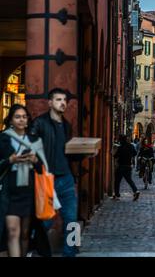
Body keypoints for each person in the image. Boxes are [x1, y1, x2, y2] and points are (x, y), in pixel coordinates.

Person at [30, 88, 81, 257]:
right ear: (50, 103)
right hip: (47, 179)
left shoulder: (66, 125)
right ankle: (34, 249)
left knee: (72, 221)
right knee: (45, 221)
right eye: (58, 99)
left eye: (65, 100)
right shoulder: (39, 123)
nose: (63, 103)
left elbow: (67, 154)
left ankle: (70, 253)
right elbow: (30, 150)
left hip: (66, 178)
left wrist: (85, 154)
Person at [0, 105, 42, 256]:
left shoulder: (34, 139)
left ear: (28, 120)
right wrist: (10, 160)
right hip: (10, 192)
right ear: (11, 120)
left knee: (25, 234)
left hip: (29, 191)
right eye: (17, 117)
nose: (21, 119)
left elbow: (42, 167)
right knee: (12, 232)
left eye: (24, 116)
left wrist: (35, 159)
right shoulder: (3, 138)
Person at [113, 135, 140, 201]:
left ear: (121, 140)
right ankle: (136, 191)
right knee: (129, 180)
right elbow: (135, 153)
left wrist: (114, 151)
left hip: (121, 166)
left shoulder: (120, 147)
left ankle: (117, 195)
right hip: (128, 166)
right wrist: (130, 156)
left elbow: (115, 156)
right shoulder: (131, 146)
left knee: (117, 181)